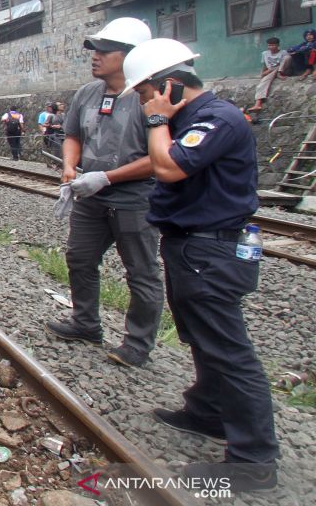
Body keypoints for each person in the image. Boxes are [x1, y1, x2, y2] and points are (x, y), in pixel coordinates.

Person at [122, 38, 279, 492]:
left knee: (228, 349)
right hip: (193, 248)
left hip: (211, 250)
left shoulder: (216, 119)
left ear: (167, 86)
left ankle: (254, 460)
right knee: (203, 338)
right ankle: (208, 411)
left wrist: (156, 119)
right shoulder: (189, 119)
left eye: (143, 92)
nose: (141, 101)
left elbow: (167, 168)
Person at [46, 17, 163, 368]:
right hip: (91, 196)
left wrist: (108, 177)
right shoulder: (87, 94)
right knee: (80, 258)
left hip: (135, 198)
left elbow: (159, 158)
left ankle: (138, 344)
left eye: (104, 51)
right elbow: (73, 136)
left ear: (130, 56)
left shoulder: (149, 97)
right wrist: (70, 166)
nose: (95, 57)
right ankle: (86, 324)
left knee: (141, 271)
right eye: (94, 50)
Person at [248, 37, 286, 112]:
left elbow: (286, 62)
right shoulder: (265, 53)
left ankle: (278, 73)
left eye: (273, 45)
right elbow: (265, 65)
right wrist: (263, 73)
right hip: (271, 71)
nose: (271, 47)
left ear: (278, 45)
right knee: (262, 83)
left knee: (287, 58)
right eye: (269, 45)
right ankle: (258, 104)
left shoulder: (283, 52)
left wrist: (275, 70)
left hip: (282, 69)